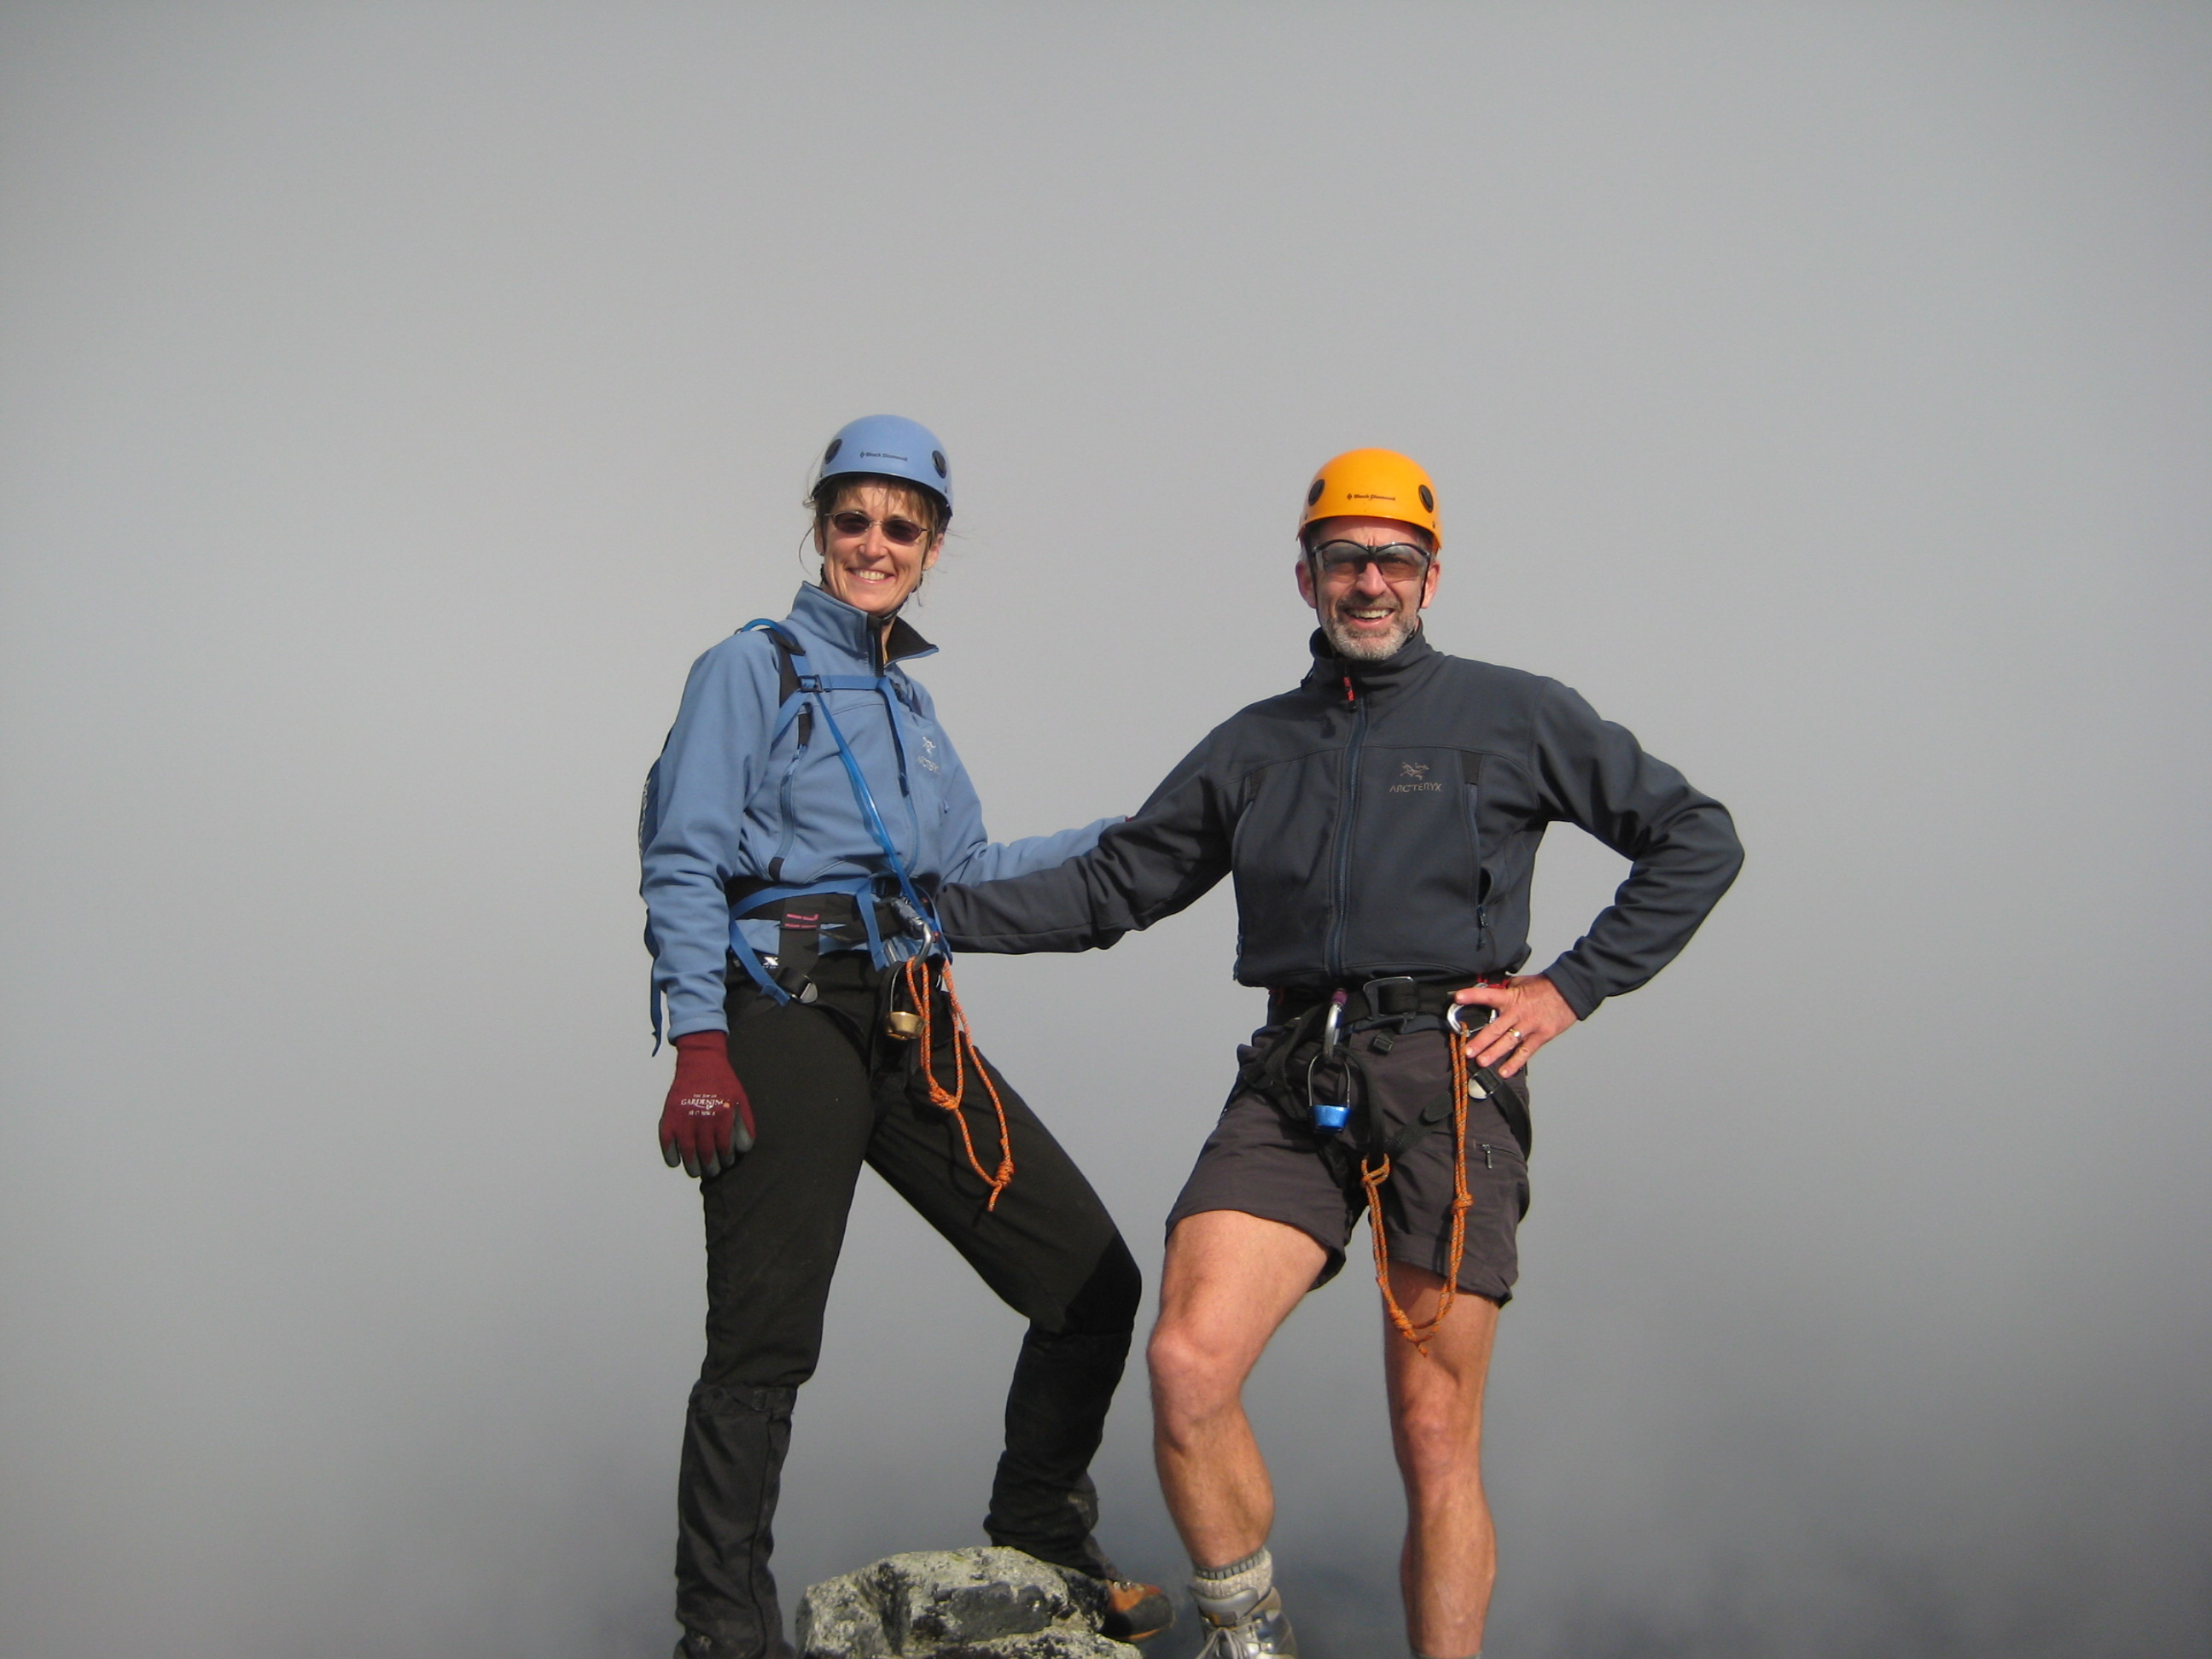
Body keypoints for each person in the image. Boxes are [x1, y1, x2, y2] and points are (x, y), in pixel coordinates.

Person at [936, 449, 1744, 1659]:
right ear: (1304, 576)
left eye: (1393, 561)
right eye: (1344, 560)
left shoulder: (1514, 713)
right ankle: (1249, 1636)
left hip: (1445, 1084)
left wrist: (1573, 987)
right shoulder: (1254, 746)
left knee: (1432, 1435)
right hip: (1291, 1073)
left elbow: (1694, 836)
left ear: (1431, 576)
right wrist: (930, 916)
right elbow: (1116, 886)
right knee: (1187, 1362)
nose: (1370, 583)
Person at [638, 415, 1172, 1659]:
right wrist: (698, 1044)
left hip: (907, 1016)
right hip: (783, 1009)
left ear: (932, 549)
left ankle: (1041, 1526)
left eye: (902, 526)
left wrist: (1141, 834)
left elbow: (970, 870)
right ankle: (723, 1632)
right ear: (821, 530)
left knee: (1092, 1278)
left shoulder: (910, 702)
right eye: (853, 520)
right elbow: (683, 857)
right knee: (764, 1341)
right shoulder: (750, 665)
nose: (875, 544)